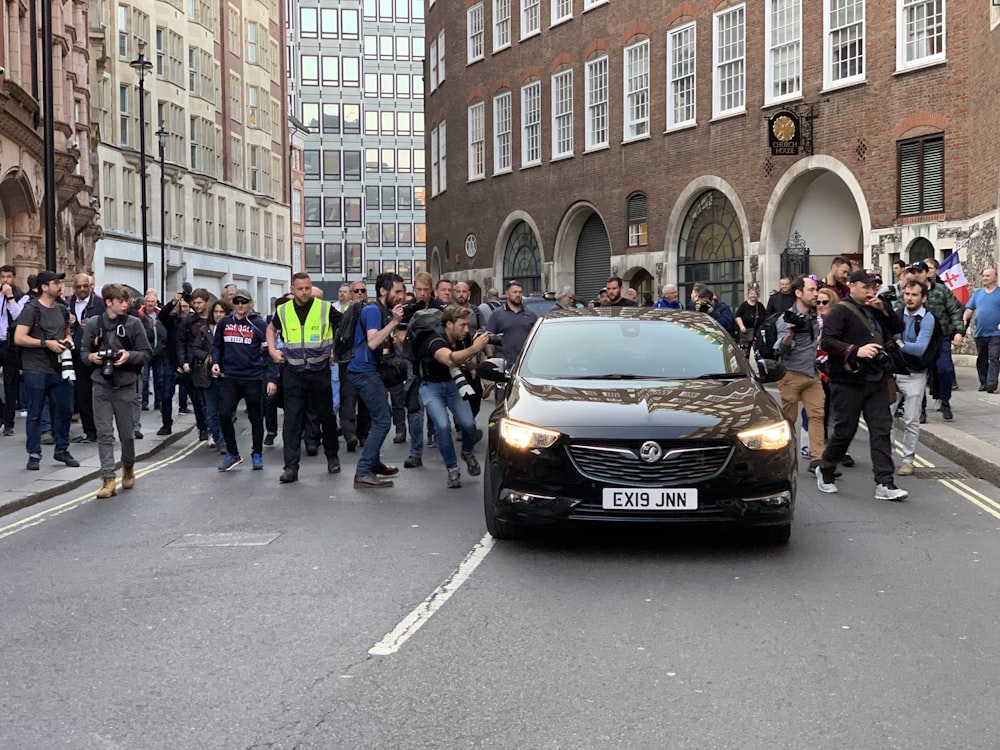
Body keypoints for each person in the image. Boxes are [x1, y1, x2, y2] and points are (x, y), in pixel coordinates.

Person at [815, 269, 907, 500]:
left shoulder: (876, 309)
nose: (870, 291)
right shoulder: (839, 310)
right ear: (852, 286)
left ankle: (885, 483)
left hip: (875, 378)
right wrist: (856, 350)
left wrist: (883, 310)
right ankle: (825, 469)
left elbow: (898, 328)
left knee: (881, 430)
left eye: (873, 287)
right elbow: (827, 341)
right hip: (847, 381)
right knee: (846, 430)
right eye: (865, 287)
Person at [266, 272, 342, 484]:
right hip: (294, 372)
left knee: (326, 417)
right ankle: (291, 467)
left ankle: (332, 456)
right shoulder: (283, 310)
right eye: (300, 288)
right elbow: (271, 329)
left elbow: (343, 328)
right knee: (292, 420)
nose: (304, 292)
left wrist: (337, 350)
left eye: (307, 288)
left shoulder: (324, 308)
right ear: (293, 289)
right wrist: (272, 350)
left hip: (319, 371)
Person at [80, 284, 152, 497]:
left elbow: (147, 353)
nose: (125, 304)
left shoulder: (134, 323)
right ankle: (108, 479)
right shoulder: (94, 324)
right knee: (104, 434)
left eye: (127, 301)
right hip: (100, 385)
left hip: (126, 386)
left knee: (127, 435)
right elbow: (83, 352)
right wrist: (91, 357)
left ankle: (128, 467)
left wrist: (129, 356)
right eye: (121, 301)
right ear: (108, 302)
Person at [12, 271, 79, 471]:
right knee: (35, 412)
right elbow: (19, 337)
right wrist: (46, 343)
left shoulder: (61, 309)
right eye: (55, 282)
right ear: (44, 287)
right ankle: (34, 454)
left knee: (65, 409)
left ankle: (61, 450)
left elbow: (66, 333)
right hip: (36, 367)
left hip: (59, 367)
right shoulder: (31, 309)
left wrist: (69, 341)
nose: (60, 286)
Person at [417, 305, 490, 488]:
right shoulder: (434, 339)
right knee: (442, 426)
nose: (466, 329)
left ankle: (467, 452)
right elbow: (449, 359)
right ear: (449, 324)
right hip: (431, 386)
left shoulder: (462, 338)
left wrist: (476, 368)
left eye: (468, 325)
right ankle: (452, 470)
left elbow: (466, 359)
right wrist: (475, 348)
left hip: (452, 384)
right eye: (462, 325)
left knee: (468, 423)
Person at [346, 272, 405, 488]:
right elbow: (372, 342)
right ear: (383, 291)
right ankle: (363, 471)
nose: (401, 296)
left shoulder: (380, 311)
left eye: (403, 291)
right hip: (364, 372)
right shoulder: (372, 310)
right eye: (397, 291)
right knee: (382, 420)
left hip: (367, 370)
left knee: (378, 418)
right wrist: (394, 323)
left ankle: (374, 463)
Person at [774, 276, 826, 471]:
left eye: (816, 290)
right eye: (811, 290)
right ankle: (783, 457)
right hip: (791, 375)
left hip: (812, 375)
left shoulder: (814, 315)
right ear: (798, 293)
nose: (815, 294)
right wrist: (789, 336)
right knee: (788, 420)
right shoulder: (786, 319)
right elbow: (780, 349)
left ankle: (818, 460)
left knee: (817, 415)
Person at [212, 289, 267, 471]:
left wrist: (270, 375)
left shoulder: (259, 324)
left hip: (253, 377)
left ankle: (257, 453)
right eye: (236, 302)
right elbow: (217, 345)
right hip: (230, 377)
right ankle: (233, 453)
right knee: (224, 414)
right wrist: (215, 362)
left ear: (251, 303)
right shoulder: (225, 323)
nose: (240, 305)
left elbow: (268, 350)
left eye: (244, 302)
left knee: (256, 417)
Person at [911, 259, 965, 421]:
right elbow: (899, 312)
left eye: (919, 272)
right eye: (913, 272)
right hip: (918, 340)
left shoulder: (941, 290)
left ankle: (945, 401)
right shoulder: (908, 292)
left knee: (945, 370)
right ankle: (921, 409)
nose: (916, 275)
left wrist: (958, 332)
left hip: (940, 338)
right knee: (920, 374)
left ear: (927, 273)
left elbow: (955, 310)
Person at [892, 280, 936, 476]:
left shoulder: (927, 318)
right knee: (885, 418)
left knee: (910, 420)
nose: (909, 298)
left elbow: (919, 349)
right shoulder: (898, 313)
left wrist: (897, 342)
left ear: (923, 297)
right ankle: (887, 457)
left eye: (914, 295)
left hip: (915, 375)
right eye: (907, 294)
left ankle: (908, 459)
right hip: (893, 373)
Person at [66, 274, 103, 443]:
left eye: (84, 286)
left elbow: (108, 324)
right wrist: (69, 323)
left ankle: (103, 430)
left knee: (100, 394)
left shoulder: (99, 304)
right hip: (77, 354)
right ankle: (90, 432)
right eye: (78, 286)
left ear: (90, 287)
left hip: (97, 354)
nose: (82, 289)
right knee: (82, 394)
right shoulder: (68, 305)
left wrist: (94, 326)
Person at [176, 288, 215, 441]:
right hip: (194, 365)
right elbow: (180, 342)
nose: (197, 306)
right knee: (198, 400)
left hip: (212, 363)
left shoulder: (215, 318)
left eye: (199, 303)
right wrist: (183, 361)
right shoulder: (188, 321)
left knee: (213, 399)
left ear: (207, 302)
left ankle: (214, 427)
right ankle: (203, 427)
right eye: (194, 303)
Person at [338, 280, 371, 452]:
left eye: (362, 290)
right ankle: (350, 434)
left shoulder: (372, 311)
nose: (359, 293)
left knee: (366, 401)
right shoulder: (343, 313)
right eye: (356, 290)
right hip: (348, 363)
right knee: (348, 400)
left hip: (367, 363)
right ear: (350, 293)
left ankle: (363, 434)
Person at [1, 265, 28, 436]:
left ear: (14, 278)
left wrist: (9, 296)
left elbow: (18, 315)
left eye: (8, 277)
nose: (5, 280)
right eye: (2, 276)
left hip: (10, 345)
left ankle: (9, 422)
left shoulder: (21, 297)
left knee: (11, 384)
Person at [963, 267, 1000, 393]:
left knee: (994, 357)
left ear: (995, 278)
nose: (984, 278)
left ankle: (992, 382)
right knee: (982, 358)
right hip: (980, 332)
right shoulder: (977, 293)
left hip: (996, 332)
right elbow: (969, 308)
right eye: (983, 275)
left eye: (988, 276)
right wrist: (964, 318)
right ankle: (983, 382)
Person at [486, 280, 539, 366]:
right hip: (503, 365)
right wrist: (491, 358)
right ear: (507, 294)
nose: (518, 295)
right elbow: (488, 337)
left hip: (525, 364)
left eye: (520, 292)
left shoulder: (531, 315)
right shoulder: (497, 314)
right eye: (514, 292)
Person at [202, 300, 232, 450]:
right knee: (211, 412)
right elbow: (195, 349)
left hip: (227, 377)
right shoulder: (205, 329)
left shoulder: (232, 328)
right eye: (216, 312)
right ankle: (219, 439)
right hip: (210, 378)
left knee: (225, 412)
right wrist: (208, 357)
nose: (218, 315)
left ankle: (226, 439)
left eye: (221, 312)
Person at [734, 287, 767, 354]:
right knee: (745, 353)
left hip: (757, 333)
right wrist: (741, 326)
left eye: (754, 294)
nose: (753, 295)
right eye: (751, 294)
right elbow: (737, 316)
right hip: (746, 332)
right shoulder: (743, 306)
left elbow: (765, 317)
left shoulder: (760, 306)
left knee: (758, 352)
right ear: (748, 295)